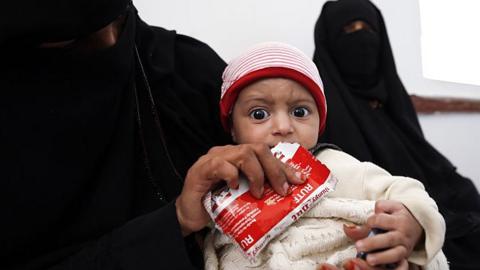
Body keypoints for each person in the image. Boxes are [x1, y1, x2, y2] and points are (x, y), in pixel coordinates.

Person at [1, 1, 303, 269]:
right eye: (80, 42)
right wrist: (174, 223)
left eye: (120, 21)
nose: (111, 41)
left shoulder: (180, 70)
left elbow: (301, 167)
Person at [203, 42, 447, 270]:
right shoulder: (225, 187)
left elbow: (405, 191)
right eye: (259, 114)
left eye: (300, 111)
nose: (283, 126)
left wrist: (413, 224)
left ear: (319, 121)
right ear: (233, 128)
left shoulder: (337, 165)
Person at [312, 0, 480, 269]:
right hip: (383, 222)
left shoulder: (391, 99)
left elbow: (426, 163)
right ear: (329, 42)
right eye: (349, 31)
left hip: (427, 209)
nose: (361, 40)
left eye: (367, 29)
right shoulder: (320, 113)